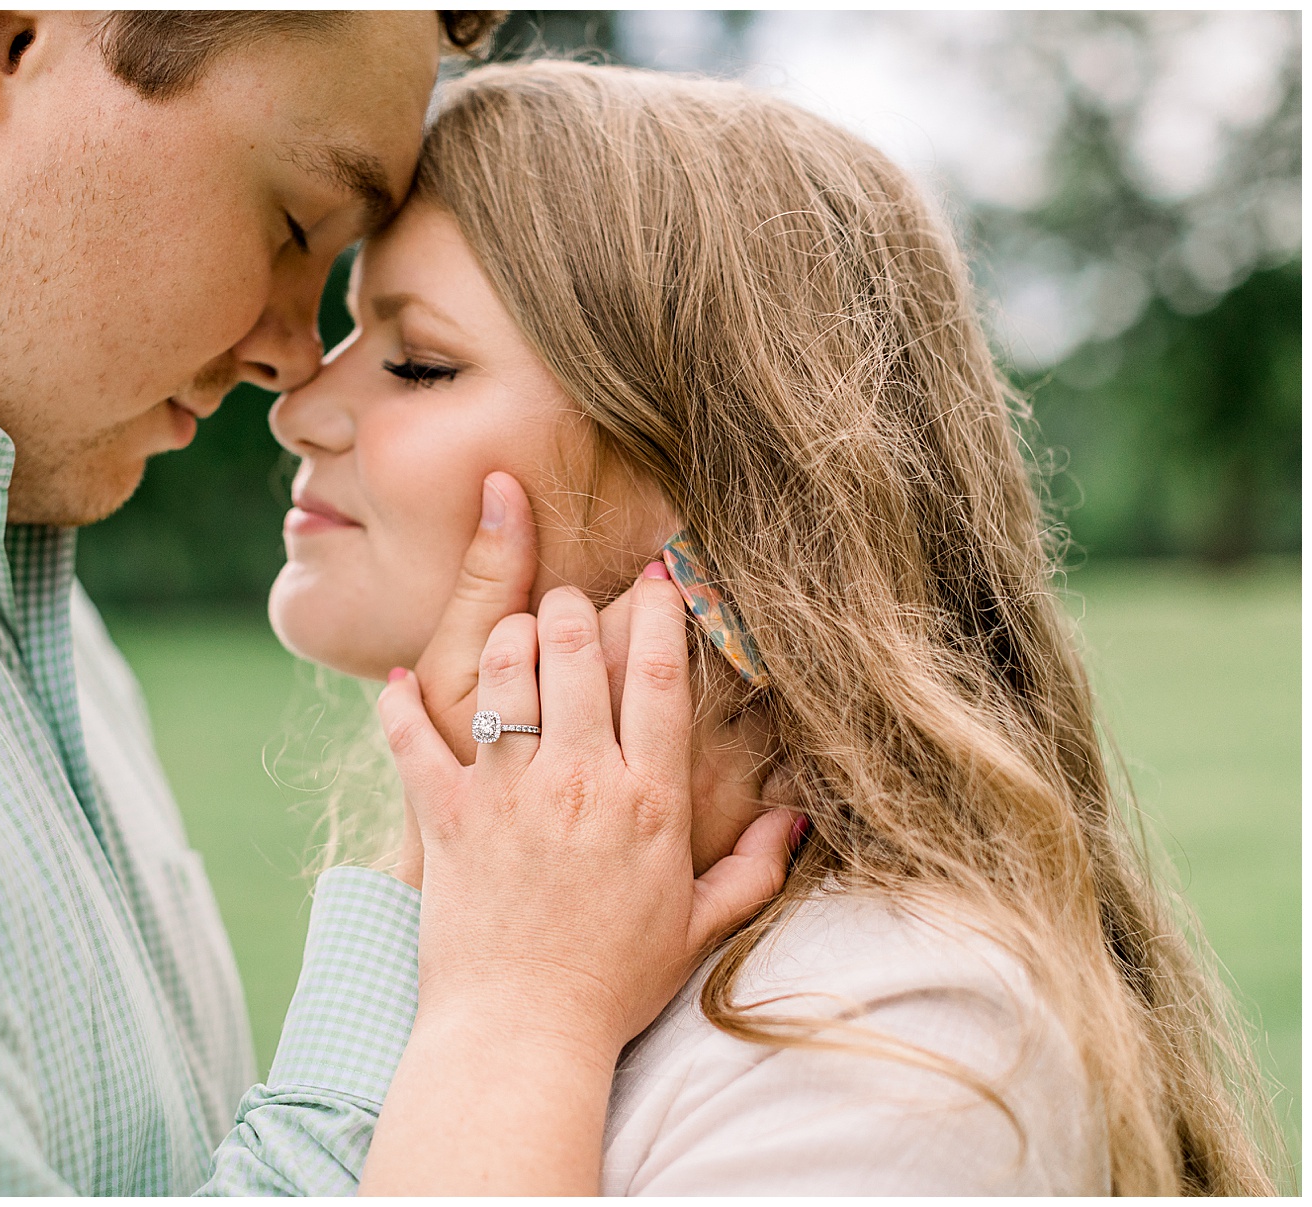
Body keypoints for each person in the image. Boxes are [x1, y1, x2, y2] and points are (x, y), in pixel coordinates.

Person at [0, 14, 797, 1193]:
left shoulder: (2, 585)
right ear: (7, 33)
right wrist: (490, 980)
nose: (293, 362)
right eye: (296, 221)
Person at [266, 61, 1284, 1195]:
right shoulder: (516, 927)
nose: (301, 406)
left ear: (725, 495)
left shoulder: (897, 1044)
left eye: (417, 362)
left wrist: (519, 1009)